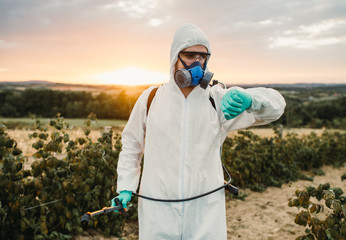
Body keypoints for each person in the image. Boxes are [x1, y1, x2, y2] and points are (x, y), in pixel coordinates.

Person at [112, 23, 286, 239]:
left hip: (205, 214)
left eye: (203, 56)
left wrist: (252, 101)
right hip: (158, 212)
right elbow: (131, 146)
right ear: (175, 57)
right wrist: (126, 187)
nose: (197, 62)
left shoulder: (217, 100)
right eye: (190, 55)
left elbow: (277, 106)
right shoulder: (150, 99)